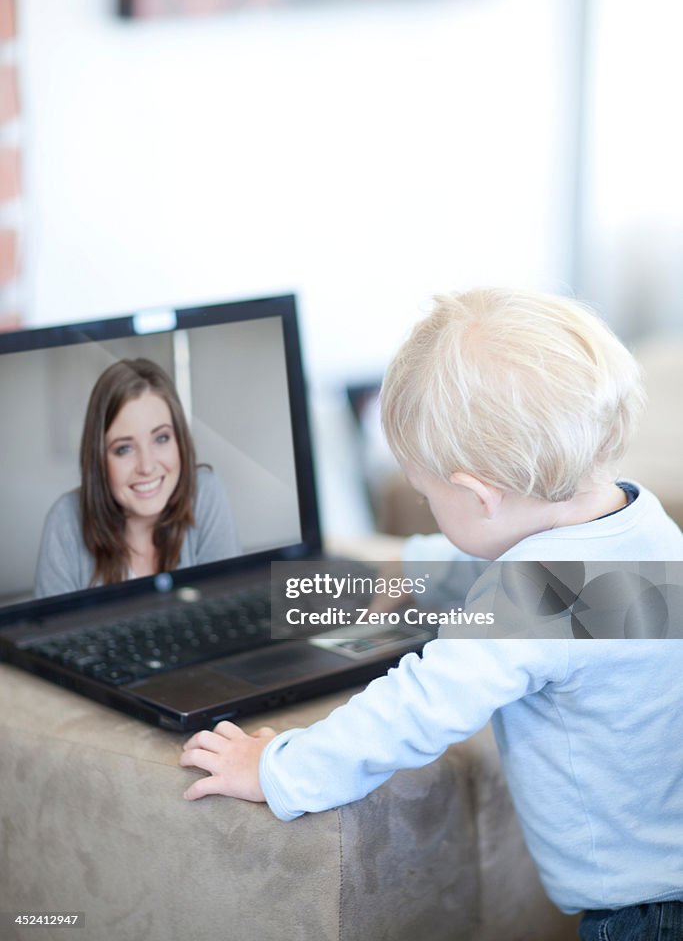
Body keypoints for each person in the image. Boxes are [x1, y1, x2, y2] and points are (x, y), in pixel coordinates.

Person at [179, 288, 683, 940]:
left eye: (425, 497)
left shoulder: (531, 598)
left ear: (477, 495)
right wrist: (413, 567)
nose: (423, 507)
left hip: (643, 914)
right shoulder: (643, 528)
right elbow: (553, 577)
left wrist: (279, 768)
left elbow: (416, 707)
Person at [34, 358, 240, 598]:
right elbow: (55, 633)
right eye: (124, 449)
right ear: (99, 459)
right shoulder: (66, 519)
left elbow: (228, 608)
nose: (147, 466)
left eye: (161, 438)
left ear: (179, 441)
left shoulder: (204, 493)